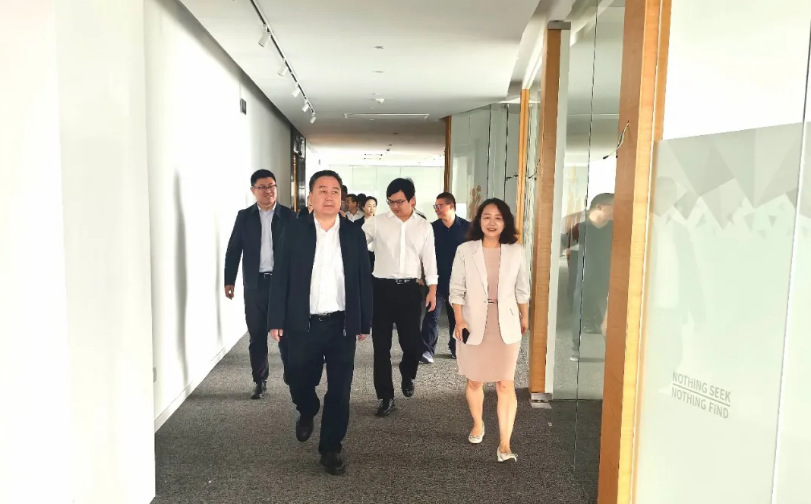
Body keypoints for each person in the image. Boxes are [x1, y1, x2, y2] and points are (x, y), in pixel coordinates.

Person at [268, 170, 373, 476]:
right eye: (323, 190)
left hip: (341, 324)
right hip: (303, 323)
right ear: (311, 197)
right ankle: (307, 408)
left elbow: (362, 279)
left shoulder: (353, 234)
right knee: (298, 378)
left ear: (342, 197)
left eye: (335, 191)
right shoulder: (294, 231)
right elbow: (281, 276)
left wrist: (363, 321)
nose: (329, 196)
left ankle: (331, 447)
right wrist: (276, 318)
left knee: (340, 389)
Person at [450, 198, 529, 462]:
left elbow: (522, 288)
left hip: (506, 323)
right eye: (486, 217)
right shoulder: (465, 250)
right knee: (475, 380)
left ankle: (505, 444)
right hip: (473, 322)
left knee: (505, 383)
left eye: (498, 218)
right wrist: (459, 320)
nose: (492, 222)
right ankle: (478, 423)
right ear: (479, 221)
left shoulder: (516, 251)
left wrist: (525, 316)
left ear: (505, 222)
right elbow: (456, 289)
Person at [362, 178, 438, 417]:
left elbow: (430, 259)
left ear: (412, 200)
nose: (395, 206)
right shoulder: (377, 223)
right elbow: (355, 242)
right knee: (381, 346)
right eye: (391, 202)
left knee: (412, 344)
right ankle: (386, 397)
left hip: (410, 291)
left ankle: (407, 373)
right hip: (381, 290)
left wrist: (433, 289)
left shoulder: (423, 226)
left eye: (400, 201)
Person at [224, 169, 294, 399]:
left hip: (282, 285)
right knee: (256, 335)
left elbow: (300, 252)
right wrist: (229, 280)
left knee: (286, 333)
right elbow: (234, 249)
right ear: (253, 190)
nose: (268, 191)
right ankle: (260, 380)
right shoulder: (244, 217)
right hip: (255, 285)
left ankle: (291, 372)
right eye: (262, 187)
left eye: (271, 186)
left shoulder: (289, 216)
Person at [561, 193, 614, 362]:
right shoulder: (582, 228)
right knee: (579, 314)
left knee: (611, 318)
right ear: (599, 207)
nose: (617, 209)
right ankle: (575, 348)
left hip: (609, 279)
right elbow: (562, 244)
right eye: (613, 205)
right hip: (585, 279)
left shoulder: (615, 228)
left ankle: (614, 354)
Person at [419, 192, 469, 363]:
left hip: (460, 281)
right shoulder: (431, 228)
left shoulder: (467, 228)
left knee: (457, 316)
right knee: (431, 315)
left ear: (451, 206)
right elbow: (423, 254)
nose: (437, 209)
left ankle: (457, 348)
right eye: (435, 206)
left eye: (440, 206)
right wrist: (422, 274)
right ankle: (427, 350)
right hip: (436, 280)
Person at [354, 196, 378, 271]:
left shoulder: (379, 222)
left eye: (374, 206)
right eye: (369, 206)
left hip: (377, 254)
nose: (372, 208)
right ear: (363, 207)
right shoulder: (357, 223)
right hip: (363, 254)